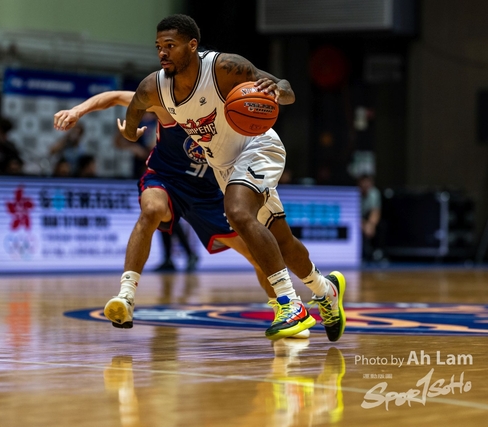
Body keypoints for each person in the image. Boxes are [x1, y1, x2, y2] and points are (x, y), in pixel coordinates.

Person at [115, 14, 346, 341]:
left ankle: (290, 304)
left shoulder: (224, 68)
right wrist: (130, 132)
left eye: (170, 45)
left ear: (192, 46)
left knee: (237, 212)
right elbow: (133, 113)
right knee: (282, 242)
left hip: (258, 147)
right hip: (224, 167)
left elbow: (287, 90)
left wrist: (276, 89)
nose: (162, 53)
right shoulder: (154, 87)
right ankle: (326, 289)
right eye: (158, 47)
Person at [54, 91, 308, 339]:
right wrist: (77, 111)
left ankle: (285, 310)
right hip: (167, 180)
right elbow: (115, 97)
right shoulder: (169, 105)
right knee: (152, 209)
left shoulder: (230, 115)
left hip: (208, 193)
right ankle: (126, 296)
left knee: (257, 254)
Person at [358, 174, 383, 261]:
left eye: (367, 182)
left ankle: (377, 252)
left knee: (381, 226)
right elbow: (353, 214)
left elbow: (375, 212)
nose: (365, 185)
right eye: (363, 182)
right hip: (357, 219)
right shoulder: (355, 192)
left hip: (368, 219)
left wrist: (370, 225)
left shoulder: (374, 193)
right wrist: (362, 224)